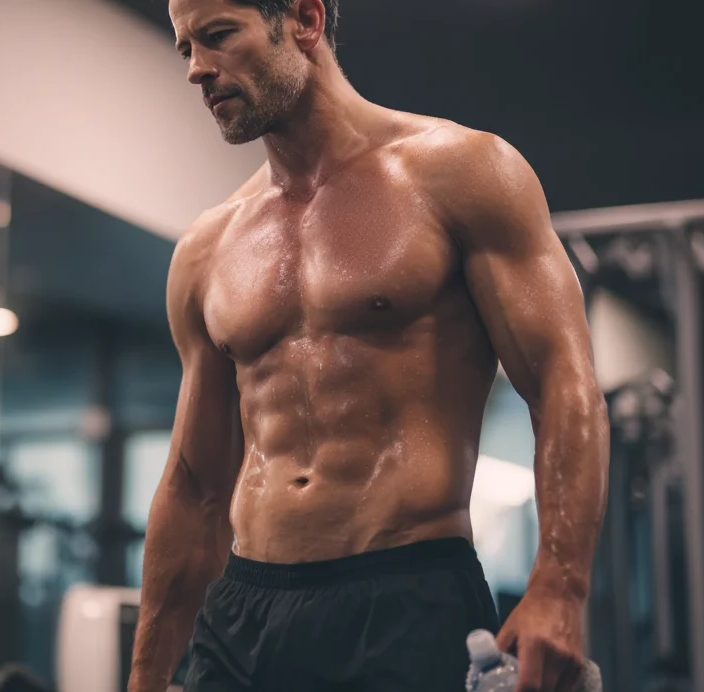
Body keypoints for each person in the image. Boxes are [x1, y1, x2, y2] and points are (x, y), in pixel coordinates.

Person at [129, 1, 610, 691]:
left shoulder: (460, 174)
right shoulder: (208, 248)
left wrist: (560, 586)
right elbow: (193, 486)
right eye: (186, 49)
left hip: (404, 593)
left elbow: (564, 383)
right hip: (242, 612)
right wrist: (145, 674)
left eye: (217, 35)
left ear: (303, 19)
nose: (197, 69)